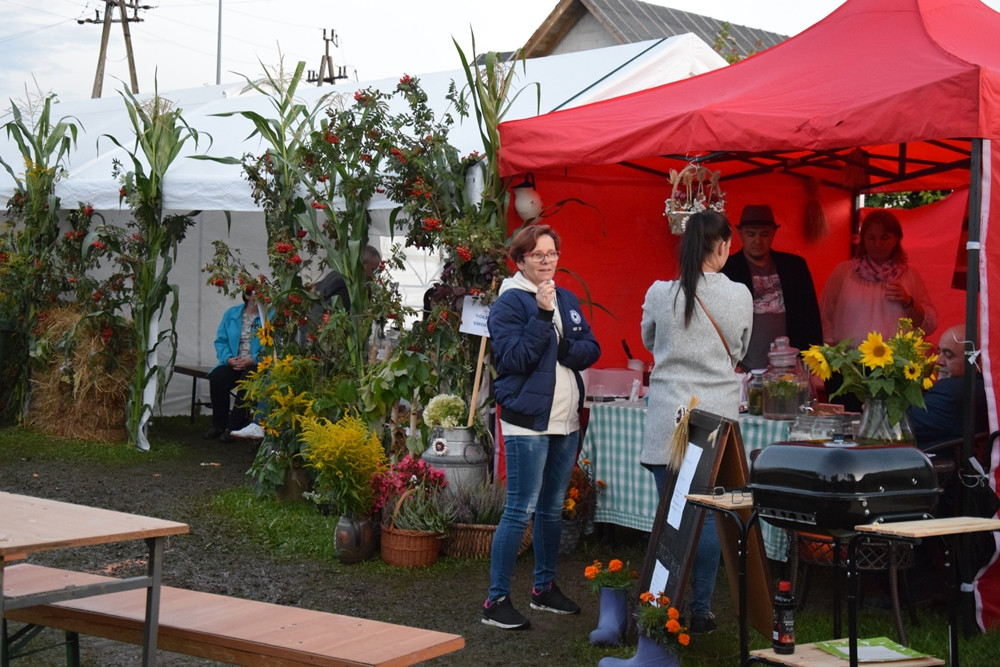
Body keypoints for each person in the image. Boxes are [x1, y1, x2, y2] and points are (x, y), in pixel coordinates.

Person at [482, 224, 601, 630]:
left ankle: (543, 589)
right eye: (538, 255)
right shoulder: (509, 304)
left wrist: (565, 346)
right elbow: (513, 359)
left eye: (552, 254)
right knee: (520, 510)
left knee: (552, 509)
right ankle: (496, 600)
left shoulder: (565, 295)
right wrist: (544, 317)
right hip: (528, 424)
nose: (547, 261)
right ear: (521, 260)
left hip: (565, 422)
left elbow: (591, 347)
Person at [640, 210, 753, 634]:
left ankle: (663, 609)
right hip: (716, 420)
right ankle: (700, 609)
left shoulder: (658, 293)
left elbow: (650, 342)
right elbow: (739, 348)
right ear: (722, 246)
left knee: (669, 519)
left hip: (667, 417)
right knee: (705, 518)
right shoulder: (739, 294)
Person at [821, 209, 937, 410]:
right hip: (849, 367)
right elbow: (825, 315)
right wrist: (832, 359)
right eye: (871, 237)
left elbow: (927, 325)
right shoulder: (844, 272)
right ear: (863, 240)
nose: (878, 244)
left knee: (889, 428)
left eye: (885, 237)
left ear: (897, 239)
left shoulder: (909, 276)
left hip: (895, 370)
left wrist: (908, 301)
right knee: (849, 427)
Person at [721, 204, 822, 371]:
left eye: (764, 234)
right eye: (751, 234)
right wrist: (730, 363)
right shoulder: (728, 269)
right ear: (740, 234)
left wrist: (811, 358)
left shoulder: (795, 266)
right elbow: (720, 321)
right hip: (743, 367)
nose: (758, 240)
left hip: (790, 366)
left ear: (774, 233)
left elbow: (810, 317)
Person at [909, 323, 988, 450]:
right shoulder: (986, 388)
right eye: (939, 352)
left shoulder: (951, 391)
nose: (938, 361)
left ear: (977, 360)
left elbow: (899, 427)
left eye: (948, 355)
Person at [204, 289, 263, 442]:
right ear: (248, 296)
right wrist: (229, 359)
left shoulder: (267, 316)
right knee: (217, 378)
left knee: (248, 379)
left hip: (255, 364)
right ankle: (218, 424)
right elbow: (221, 341)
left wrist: (253, 360)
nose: (261, 296)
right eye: (256, 293)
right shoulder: (232, 313)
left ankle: (234, 426)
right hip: (234, 362)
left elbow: (271, 347)